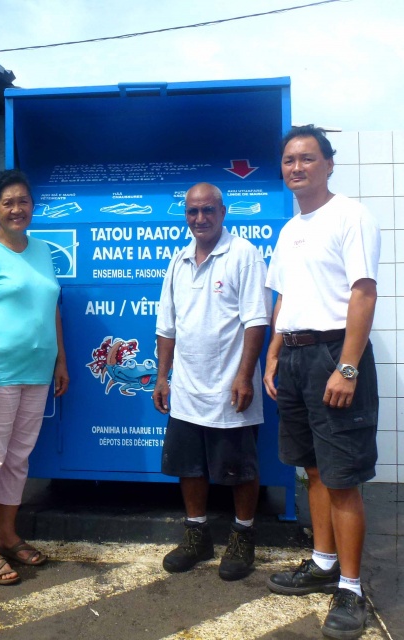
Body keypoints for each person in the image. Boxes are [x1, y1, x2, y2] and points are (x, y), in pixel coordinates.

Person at [264, 125, 380, 640]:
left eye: (307, 158)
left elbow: (363, 293)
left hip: (334, 354)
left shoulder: (350, 215)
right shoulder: (291, 229)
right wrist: (273, 357)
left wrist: (348, 367)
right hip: (294, 356)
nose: (297, 167)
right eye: (289, 159)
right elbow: (283, 298)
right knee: (312, 469)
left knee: (341, 477)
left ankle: (350, 588)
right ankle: (323, 563)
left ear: (328, 164)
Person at [153, 182, 271, 581]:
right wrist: (163, 377)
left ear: (223, 212)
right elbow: (166, 326)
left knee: (240, 469)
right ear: (185, 215)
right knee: (190, 467)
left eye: (208, 210)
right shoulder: (179, 260)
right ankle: (197, 536)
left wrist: (244, 375)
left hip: (230, 388)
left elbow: (256, 320)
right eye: (193, 211)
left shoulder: (243, 254)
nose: (200, 218)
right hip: (187, 387)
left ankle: (243, 537)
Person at [0, 169, 69, 585]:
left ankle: (6, 533)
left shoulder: (42, 250)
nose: (17, 209)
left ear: (32, 207)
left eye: (23, 201)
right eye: (8, 202)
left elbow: (51, 310)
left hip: (36, 374)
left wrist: (60, 361)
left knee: (18, 459)